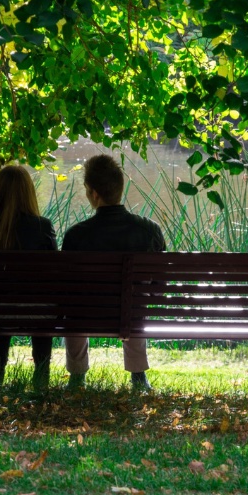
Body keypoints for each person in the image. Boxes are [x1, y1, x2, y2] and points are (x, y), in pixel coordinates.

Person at [63, 154, 166, 391]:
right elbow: (158, 287)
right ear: (120, 189)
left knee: (74, 310)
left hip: (86, 316)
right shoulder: (149, 230)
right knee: (135, 304)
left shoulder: (76, 235)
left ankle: (77, 377)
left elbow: (65, 288)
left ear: (95, 194)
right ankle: (138, 376)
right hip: (130, 315)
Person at [0, 165, 57, 392]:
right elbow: (55, 272)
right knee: (39, 300)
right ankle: (41, 372)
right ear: (29, 192)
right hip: (39, 309)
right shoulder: (43, 227)